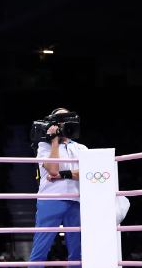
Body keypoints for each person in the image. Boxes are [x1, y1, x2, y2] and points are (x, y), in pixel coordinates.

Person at [29, 108, 86, 267]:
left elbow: (88, 172)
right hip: (50, 199)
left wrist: (64, 174)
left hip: (76, 200)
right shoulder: (44, 146)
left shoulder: (81, 148)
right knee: (41, 248)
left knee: (77, 250)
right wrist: (53, 141)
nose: (64, 122)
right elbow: (53, 169)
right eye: (60, 119)